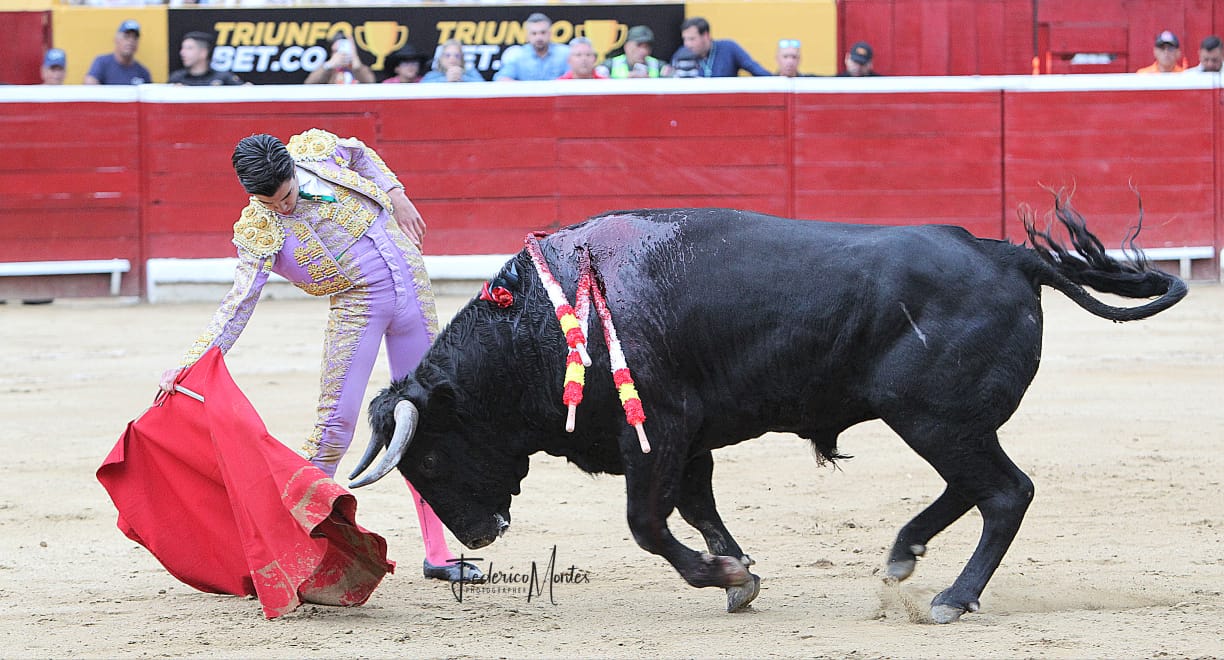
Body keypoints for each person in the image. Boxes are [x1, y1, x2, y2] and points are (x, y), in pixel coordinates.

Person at [158, 130, 482, 583]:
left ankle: (438, 553)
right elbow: (239, 302)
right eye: (269, 203)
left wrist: (397, 195)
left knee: (427, 421)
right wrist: (193, 360)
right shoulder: (259, 228)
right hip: (357, 307)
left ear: (292, 169)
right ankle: (291, 551)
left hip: (413, 288)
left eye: (287, 196)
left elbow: (361, 153)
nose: (282, 208)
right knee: (334, 429)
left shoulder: (314, 151)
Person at [494, 12, 568, 81]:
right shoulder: (517, 55)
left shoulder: (565, 53)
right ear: (527, 36)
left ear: (550, 34)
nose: (539, 37)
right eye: (534, 33)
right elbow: (502, 78)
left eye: (543, 32)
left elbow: (574, 78)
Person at [84, 20, 151, 85]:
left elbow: (149, 93)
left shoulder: (142, 72)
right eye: (126, 37)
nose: (131, 41)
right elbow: (90, 84)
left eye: (135, 38)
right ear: (116, 40)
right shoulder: (102, 63)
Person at [169, 31, 243, 86]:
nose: (182, 53)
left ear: (203, 52)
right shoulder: (177, 78)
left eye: (189, 48)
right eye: (182, 48)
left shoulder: (224, 78)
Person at [597, 25, 669, 78]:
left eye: (646, 47)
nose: (643, 51)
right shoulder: (610, 65)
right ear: (626, 46)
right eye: (638, 45)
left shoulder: (659, 66)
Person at [304, 36, 374, 84]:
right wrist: (329, 65)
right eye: (337, 51)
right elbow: (310, 84)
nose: (342, 54)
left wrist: (356, 65)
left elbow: (370, 83)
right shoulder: (328, 71)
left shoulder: (361, 70)